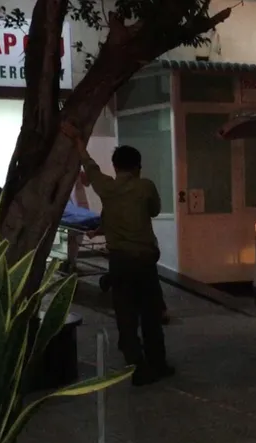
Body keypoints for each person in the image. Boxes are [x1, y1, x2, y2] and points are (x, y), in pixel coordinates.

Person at [62, 123, 174, 386]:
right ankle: (158, 363)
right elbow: (154, 211)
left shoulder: (106, 188)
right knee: (151, 315)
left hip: (120, 263)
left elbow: (89, 165)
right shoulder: (145, 187)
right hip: (145, 262)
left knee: (126, 316)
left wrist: (77, 140)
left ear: (115, 167)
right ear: (138, 167)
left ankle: (137, 366)